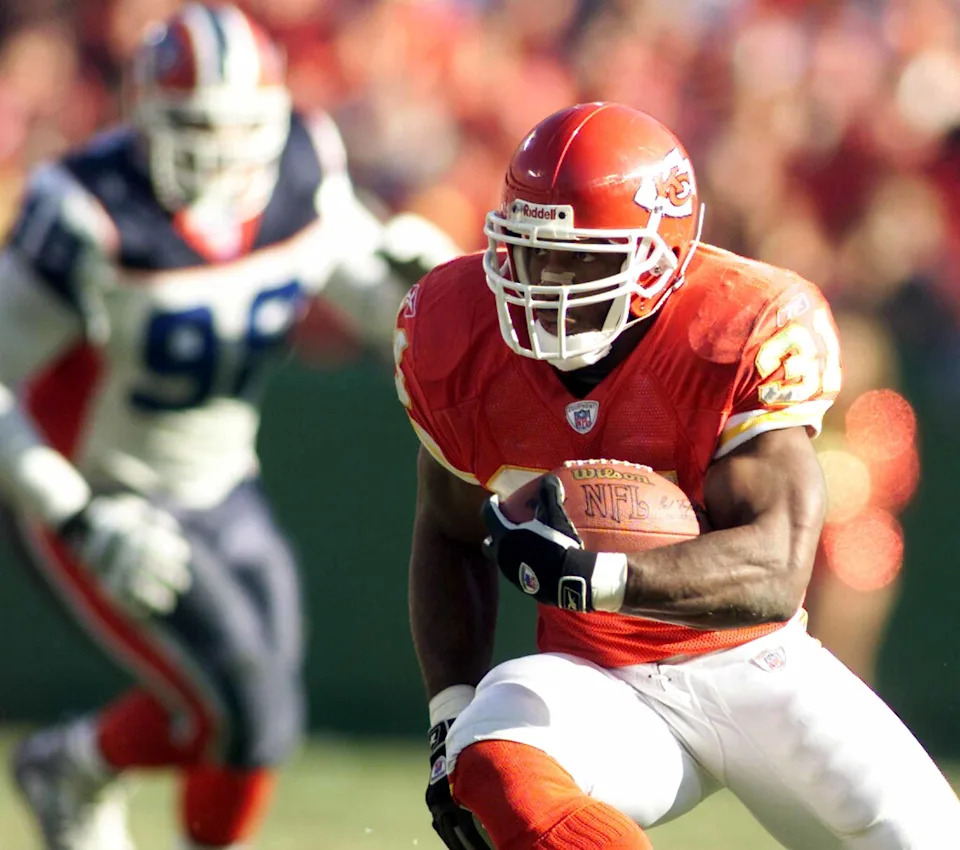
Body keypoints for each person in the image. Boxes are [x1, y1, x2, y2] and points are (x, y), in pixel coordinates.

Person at [395, 101, 960, 849]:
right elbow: (447, 524)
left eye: (581, 257)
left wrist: (601, 575)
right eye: (532, 251)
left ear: (660, 255)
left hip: (750, 665)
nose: (548, 281)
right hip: (595, 674)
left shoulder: (740, 323)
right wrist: (449, 712)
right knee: (487, 759)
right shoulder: (456, 325)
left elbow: (777, 568)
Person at [0, 4, 457, 850]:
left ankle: (71, 767)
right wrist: (74, 511)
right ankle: (77, 771)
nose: (216, 148)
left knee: (262, 705)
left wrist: (430, 286)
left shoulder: (300, 164)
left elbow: (365, 291)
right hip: (100, 491)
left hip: (221, 483)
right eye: (193, 125)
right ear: (141, 114)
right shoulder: (87, 209)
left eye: (236, 126)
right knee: (247, 699)